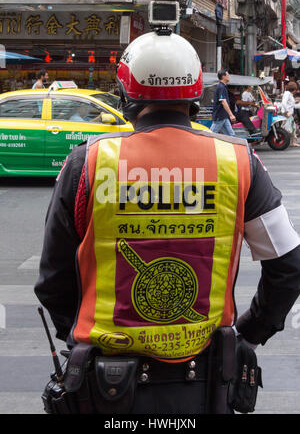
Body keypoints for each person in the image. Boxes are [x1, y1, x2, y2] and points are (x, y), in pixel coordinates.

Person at [35, 27, 300, 415]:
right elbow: (288, 265)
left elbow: (53, 280)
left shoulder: (88, 163)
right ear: (196, 96)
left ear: (127, 96)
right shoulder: (239, 161)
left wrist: (79, 339)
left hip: (106, 389)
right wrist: (249, 333)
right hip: (207, 383)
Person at [211, 70, 236, 136]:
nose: (229, 76)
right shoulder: (221, 87)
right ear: (223, 76)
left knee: (231, 134)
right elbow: (223, 102)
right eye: (227, 75)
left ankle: (232, 146)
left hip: (224, 116)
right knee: (211, 134)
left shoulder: (223, 87)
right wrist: (231, 114)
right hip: (220, 115)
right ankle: (204, 144)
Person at [281, 82, 300, 147]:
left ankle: (292, 141)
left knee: (290, 127)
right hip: (287, 113)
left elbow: (290, 103)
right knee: (291, 127)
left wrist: (295, 101)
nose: (296, 91)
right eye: (295, 89)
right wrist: (287, 112)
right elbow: (284, 103)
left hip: (288, 113)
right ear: (293, 89)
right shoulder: (288, 94)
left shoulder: (289, 94)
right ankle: (292, 142)